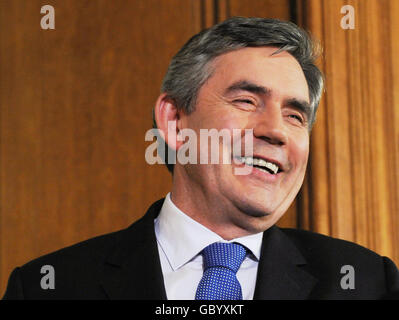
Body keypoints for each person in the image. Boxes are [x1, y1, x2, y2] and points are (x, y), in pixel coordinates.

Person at [3, 17, 399, 300]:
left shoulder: (368, 284)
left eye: (295, 115)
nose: (276, 130)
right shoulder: (49, 287)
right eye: (246, 101)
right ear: (174, 120)